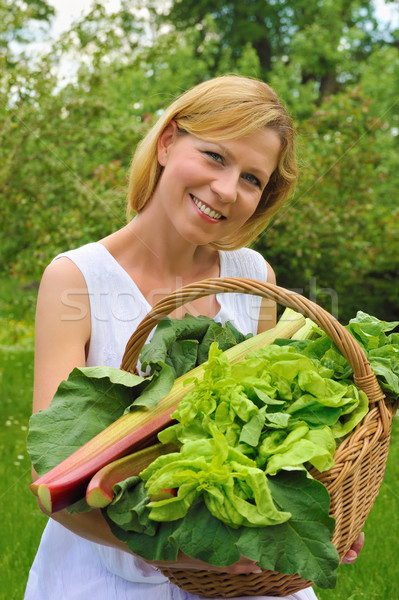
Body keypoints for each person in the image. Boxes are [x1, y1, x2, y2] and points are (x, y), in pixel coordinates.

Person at [24, 74, 363, 600]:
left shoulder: (254, 275)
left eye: (253, 179)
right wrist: (191, 555)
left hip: (246, 577)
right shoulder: (76, 279)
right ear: (166, 143)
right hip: (115, 574)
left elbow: (271, 435)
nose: (227, 190)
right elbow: (58, 487)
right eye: (215, 157)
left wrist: (319, 513)